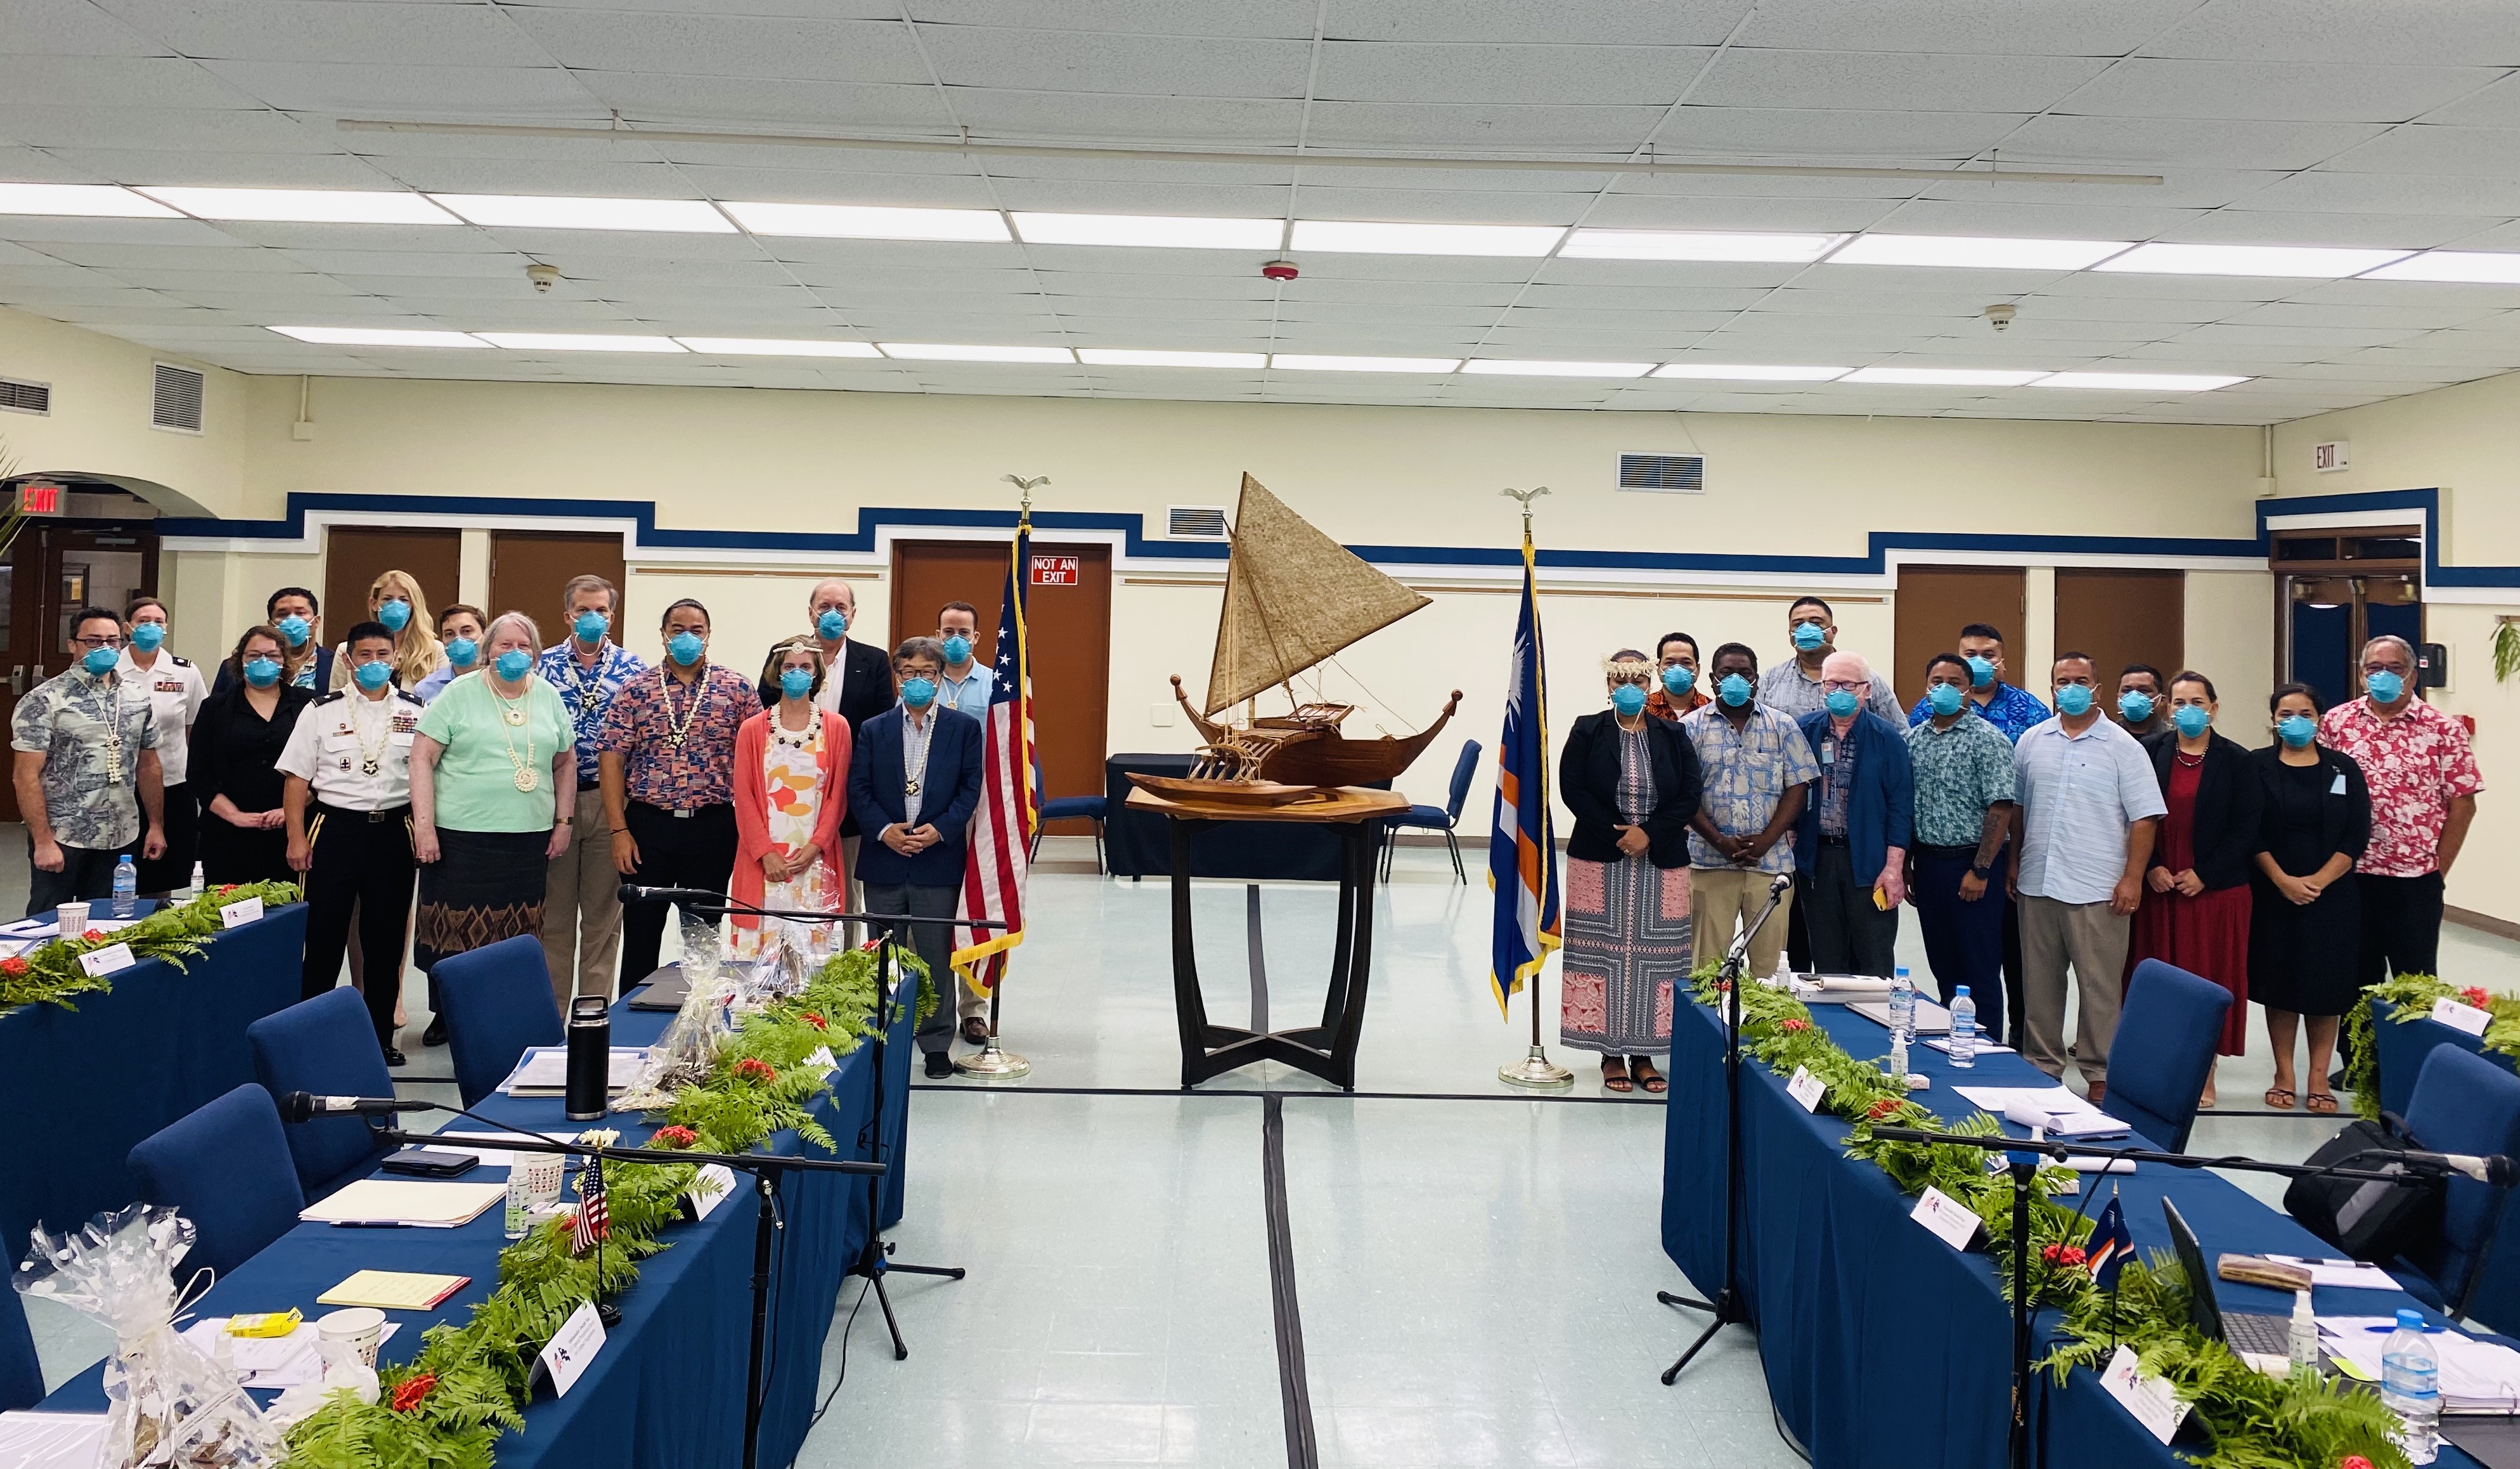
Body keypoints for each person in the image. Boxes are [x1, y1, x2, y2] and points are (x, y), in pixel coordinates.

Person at [2012, 652, 2166, 1100]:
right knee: (2038, 985)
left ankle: (2099, 1072)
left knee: (2098, 986)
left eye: (2081, 680)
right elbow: (2019, 807)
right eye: (2063, 680)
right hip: (2038, 880)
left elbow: (2144, 819)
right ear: (2052, 686)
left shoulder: (2122, 747)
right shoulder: (2031, 740)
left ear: (2097, 689)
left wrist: (2132, 878)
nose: (2071, 687)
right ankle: (2042, 1064)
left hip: (2098, 887)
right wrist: (2013, 862)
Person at [411, 612, 578, 1009]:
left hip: (527, 839)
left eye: (524, 646)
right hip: (460, 840)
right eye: (506, 645)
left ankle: (507, 1012)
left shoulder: (547, 695)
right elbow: (421, 758)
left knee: (517, 937)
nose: (515, 652)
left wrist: (564, 822)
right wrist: (425, 829)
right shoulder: (460, 692)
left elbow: (566, 762)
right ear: (488, 651)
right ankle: (450, 1015)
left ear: (536, 654)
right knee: (455, 937)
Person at [279, 621, 425, 1063]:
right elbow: (296, 779)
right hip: (334, 828)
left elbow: (425, 777)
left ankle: (380, 1037)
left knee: (384, 942)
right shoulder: (320, 710)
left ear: (395, 658)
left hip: (394, 830)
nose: (375, 663)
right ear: (348, 659)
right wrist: (295, 837)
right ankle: (311, 1034)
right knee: (322, 937)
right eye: (365, 655)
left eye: (383, 654)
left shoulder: (418, 711)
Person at [1558, 651, 1704, 1093]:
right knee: (1601, 952)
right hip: (1599, 859)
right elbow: (1572, 787)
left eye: (1637, 679)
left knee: (1655, 957)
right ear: (1607, 685)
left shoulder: (1673, 733)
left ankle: (1644, 1054)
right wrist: (1618, 834)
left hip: (1660, 859)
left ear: (1648, 685)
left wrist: (1650, 834)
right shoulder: (1587, 728)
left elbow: (1690, 792)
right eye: (1619, 679)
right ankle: (1610, 1054)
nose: (1628, 687)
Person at [598, 599, 756, 988]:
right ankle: (630, 1028)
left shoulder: (736, 689)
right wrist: (619, 831)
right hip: (647, 828)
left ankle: (700, 1025)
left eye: (696, 631)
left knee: (703, 938)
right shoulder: (635, 690)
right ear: (664, 635)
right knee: (640, 936)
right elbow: (612, 759)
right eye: (678, 630)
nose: (687, 638)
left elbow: (758, 758)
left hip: (713, 828)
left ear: (708, 636)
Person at [849, 636, 985, 1078]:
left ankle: (936, 1044)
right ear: (897, 676)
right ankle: (883, 1036)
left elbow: (969, 789)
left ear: (940, 676)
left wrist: (940, 829)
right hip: (884, 857)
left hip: (936, 859)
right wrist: (886, 831)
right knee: (884, 954)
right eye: (909, 672)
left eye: (927, 673)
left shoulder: (963, 728)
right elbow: (859, 789)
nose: (918, 680)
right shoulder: (873, 728)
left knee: (934, 956)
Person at [1907, 622, 2048, 1045]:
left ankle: (1988, 1051)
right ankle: (1955, 1040)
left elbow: (2001, 806)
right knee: (1943, 963)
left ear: (1968, 691)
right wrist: (1912, 864)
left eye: (1955, 682)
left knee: (1980, 967)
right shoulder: (1913, 739)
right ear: (1926, 687)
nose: (1945, 688)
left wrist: (1981, 869)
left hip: (1974, 866)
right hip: (1929, 864)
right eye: (1937, 682)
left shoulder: (1988, 739)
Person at [2317, 635, 2483, 995]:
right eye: (2375, 668)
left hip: (2414, 879)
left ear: (2412, 676)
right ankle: (2358, 1053)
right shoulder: (2337, 723)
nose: (2384, 676)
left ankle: (2410, 1053)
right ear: (2362, 675)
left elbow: (2463, 805)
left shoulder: (2443, 730)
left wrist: (2438, 870)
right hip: (2351, 872)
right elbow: (2321, 790)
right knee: (2355, 978)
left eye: (2395, 668)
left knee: (2415, 981)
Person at [2126, 671, 2261, 1106]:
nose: (2188, 710)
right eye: (2179, 702)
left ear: (2214, 708)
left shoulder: (2238, 761)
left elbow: (2247, 828)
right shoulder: (2147, 752)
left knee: (2207, 978)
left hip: (2213, 892)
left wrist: (2206, 872)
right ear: (2166, 707)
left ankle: (2204, 1072)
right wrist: (2151, 866)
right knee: (2156, 979)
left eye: (2197, 701)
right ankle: (2154, 1066)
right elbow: (2130, 815)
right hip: (2159, 887)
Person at [2250, 684, 2370, 1115]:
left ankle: (2318, 1076)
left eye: (2304, 713)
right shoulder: (2256, 766)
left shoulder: (2343, 767)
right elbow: (2250, 831)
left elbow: (2356, 833)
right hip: (2272, 892)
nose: (2294, 721)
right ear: (2273, 718)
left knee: (2326, 985)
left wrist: (2317, 880)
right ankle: (2284, 1073)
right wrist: (2281, 879)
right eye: (2285, 713)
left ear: (2319, 719)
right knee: (2279, 984)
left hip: (2332, 894)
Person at [761, 579, 896, 939]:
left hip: (847, 797)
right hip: (787, 798)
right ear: (810, 612)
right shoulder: (784, 655)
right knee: (787, 886)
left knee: (846, 892)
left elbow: (883, 729)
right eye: (824, 607)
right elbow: (763, 715)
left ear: (853, 616)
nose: (832, 615)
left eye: (841, 608)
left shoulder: (874, 661)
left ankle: (846, 963)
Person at [536, 575, 646, 1016]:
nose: (592, 618)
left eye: (600, 610)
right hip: (554, 802)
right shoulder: (540, 666)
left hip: (610, 803)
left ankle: (592, 1017)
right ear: (567, 615)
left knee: (603, 920)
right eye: (583, 610)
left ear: (612, 617)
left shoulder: (634, 669)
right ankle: (551, 1016)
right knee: (555, 920)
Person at [11, 608, 165, 914]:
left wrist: (156, 825)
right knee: (48, 922)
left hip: (121, 833)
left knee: (109, 922)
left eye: (112, 641)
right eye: (93, 641)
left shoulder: (136, 697)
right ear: (73, 645)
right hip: (64, 834)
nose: (105, 649)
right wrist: (42, 841)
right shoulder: (45, 699)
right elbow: (25, 776)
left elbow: (149, 765)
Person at [1680, 644, 1819, 980]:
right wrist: (1719, 841)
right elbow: (1683, 794)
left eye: (1744, 673)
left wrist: (1767, 841)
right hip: (1708, 863)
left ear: (1756, 680)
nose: (1736, 680)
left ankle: (1763, 1033)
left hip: (1770, 867)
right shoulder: (1689, 727)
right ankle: (1711, 1031)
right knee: (1707, 968)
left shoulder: (1782, 726)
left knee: (1770, 971)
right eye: (1727, 673)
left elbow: (1798, 787)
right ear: (1713, 679)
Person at [1790, 652, 1910, 978]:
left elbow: (1901, 806)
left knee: (1874, 960)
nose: (1839, 691)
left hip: (1871, 864)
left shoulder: (1888, 738)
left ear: (1867, 690)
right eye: (1832, 684)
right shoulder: (1804, 731)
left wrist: (1894, 868)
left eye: (1848, 684)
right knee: (1827, 961)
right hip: (1818, 862)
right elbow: (1791, 789)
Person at [732, 642, 851, 935]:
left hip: (815, 859)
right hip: (762, 861)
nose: (797, 673)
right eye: (789, 667)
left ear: (816, 674)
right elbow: (744, 797)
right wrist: (765, 853)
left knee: (812, 963)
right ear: (777, 673)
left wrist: (815, 847)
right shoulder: (751, 729)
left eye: (805, 667)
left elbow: (838, 796)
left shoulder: (837, 727)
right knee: (758, 965)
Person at [189, 626, 315, 886]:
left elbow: (324, 770)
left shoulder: (310, 705)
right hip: (227, 833)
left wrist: (289, 811)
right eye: (254, 655)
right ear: (240, 660)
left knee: (291, 914)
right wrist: (235, 815)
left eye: (272, 655)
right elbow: (199, 773)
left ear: (285, 661)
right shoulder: (215, 708)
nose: (263, 662)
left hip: (295, 832)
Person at [119, 597, 206, 898]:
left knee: (161, 871)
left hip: (171, 782)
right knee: (116, 870)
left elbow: (195, 726)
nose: (151, 627)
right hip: (118, 784)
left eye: (158, 622)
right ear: (127, 627)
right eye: (143, 621)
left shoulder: (185, 671)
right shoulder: (111, 668)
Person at [1761, 596, 1902, 722]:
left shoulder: (1866, 679)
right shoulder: (1770, 681)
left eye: (1816, 623)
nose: (1806, 629)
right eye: (1798, 625)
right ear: (1791, 635)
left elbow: (1900, 734)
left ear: (1833, 632)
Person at [1908, 623, 2050, 741]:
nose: (1979, 661)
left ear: (2001, 663)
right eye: (1971, 655)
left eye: (1988, 655)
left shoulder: (2030, 708)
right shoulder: (1928, 708)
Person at [328, 571, 443, 694]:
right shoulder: (345, 650)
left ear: (413, 605)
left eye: (403, 600)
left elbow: (441, 702)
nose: (395, 605)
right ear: (374, 604)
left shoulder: (433, 651)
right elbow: (335, 700)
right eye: (387, 599)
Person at [213, 587, 332, 694]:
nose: (292, 620)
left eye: (300, 613)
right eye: (283, 614)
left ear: (316, 621)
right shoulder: (236, 666)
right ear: (271, 624)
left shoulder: (334, 665)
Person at [933, 601, 997, 716]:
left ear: (975, 637)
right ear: (938, 636)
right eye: (949, 632)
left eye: (963, 632)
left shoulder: (994, 683)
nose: (956, 638)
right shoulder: (925, 682)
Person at [414, 603, 485, 703]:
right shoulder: (425, 689)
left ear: (485, 635)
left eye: (466, 631)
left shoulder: (499, 682)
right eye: (449, 634)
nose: (458, 639)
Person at [1644, 631, 1707, 722]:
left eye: (1686, 663)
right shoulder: (1643, 709)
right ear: (1658, 668)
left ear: (1698, 669)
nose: (1678, 669)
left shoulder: (1710, 710)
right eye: (1670, 663)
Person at [2116, 664, 2171, 739]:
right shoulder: (2107, 735)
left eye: (2144, 690)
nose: (2134, 696)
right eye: (2127, 691)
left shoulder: (2174, 739)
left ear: (2161, 700)